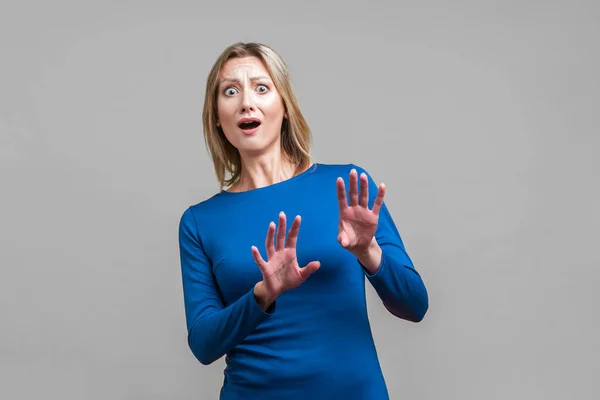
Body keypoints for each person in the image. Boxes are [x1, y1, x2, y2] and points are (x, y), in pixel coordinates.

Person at [178, 42, 429, 399]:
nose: (246, 102)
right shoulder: (199, 222)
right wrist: (263, 294)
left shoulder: (346, 187)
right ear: (217, 117)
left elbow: (415, 306)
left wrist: (368, 251)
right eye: (230, 91)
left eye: (261, 88)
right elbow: (203, 344)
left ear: (284, 107)